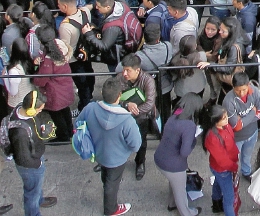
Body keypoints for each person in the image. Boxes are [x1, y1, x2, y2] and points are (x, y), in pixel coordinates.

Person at [78, 78, 142, 216]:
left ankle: (105, 184)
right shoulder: (128, 120)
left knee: (106, 177)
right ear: (119, 96)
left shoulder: (90, 108)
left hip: (98, 153)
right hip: (117, 158)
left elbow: (78, 124)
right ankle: (111, 209)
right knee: (112, 183)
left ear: (102, 92)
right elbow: (136, 146)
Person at [5, 90, 58, 215]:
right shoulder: (20, 133)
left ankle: (39, 200)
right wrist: (37, 164)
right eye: (39, 110)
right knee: (31, 194)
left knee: (35, 188)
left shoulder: (21, 108)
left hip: (35, 157)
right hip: (31, 167)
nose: (40, 112)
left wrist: (41, 129)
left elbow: (33, 125)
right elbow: (23, 159)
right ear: (31, 110)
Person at [152, 93, 203, 216]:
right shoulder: (189, 125)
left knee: (174, 183)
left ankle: (172, 204)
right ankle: (188, 213)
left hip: (160, 158)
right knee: (180, 191)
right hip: (174, 166)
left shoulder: (174, 116)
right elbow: (184, 152)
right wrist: (194, 140)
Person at [31, 25, 74, 142]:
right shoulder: (60, 47)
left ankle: (63, 136)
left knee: (56, 114)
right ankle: (70, 131)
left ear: (41, 41)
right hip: (65, 86)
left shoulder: (49, 59)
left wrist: (33, 78)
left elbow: (42, 79)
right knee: (65, 110)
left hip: (54, 91)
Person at [222, 72, 260, 180]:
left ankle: (246, 172)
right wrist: (252, 113)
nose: (241, 93)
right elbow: (236, 126)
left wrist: (243, 120)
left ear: (248, 85)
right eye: (238, 90)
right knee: (233, 160)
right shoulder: (228, 101)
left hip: (253, 132)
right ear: (233, 87)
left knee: (247, 156)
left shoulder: (255, 91)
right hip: (236, 138)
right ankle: (232, 176)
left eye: (244, 90)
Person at [201, 104, 238, 216]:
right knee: (229, 198)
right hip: (223, 169)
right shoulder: (212, 137)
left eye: (226, 116)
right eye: (224, 118)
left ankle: (216, 203)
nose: (227, 119)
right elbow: (222, 160)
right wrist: (234, 167)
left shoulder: (224, 126)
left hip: (222, 167)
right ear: (214, 121)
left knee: (218, 183)